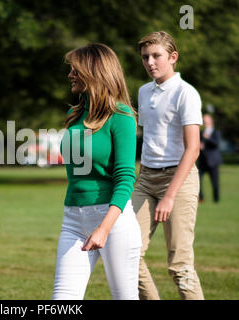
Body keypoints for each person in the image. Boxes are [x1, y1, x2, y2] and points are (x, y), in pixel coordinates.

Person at [52, 43, 142, 300]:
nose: (70, 75)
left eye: (75, 70)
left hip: (113, 220)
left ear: (94, 72)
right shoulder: (74, 114)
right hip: (73, 217)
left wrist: (103, 228)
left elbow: (125, 178)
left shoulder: (121, 116)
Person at [132, 31, 204, 300]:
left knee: (180, 266)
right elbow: (148, 140)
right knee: (127, 252)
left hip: (179, 180)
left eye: (156, 56)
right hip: (146, 178)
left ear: (173, 57)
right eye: (145, 57)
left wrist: (170, 196)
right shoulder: (143, 91)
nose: (150, 62)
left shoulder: (186, 94)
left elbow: (193, 148)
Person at [198, 114, 222, 203]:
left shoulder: (215, 132)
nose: (205, 122)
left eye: (206, 120)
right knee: (198, 181)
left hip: (213, 161)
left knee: (215, 183)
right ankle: (201, 198)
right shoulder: (201, 133)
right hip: (202, 161)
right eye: (204, 120)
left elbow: (216, 144)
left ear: (211, 121)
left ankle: (216, 200)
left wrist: (207, 138)